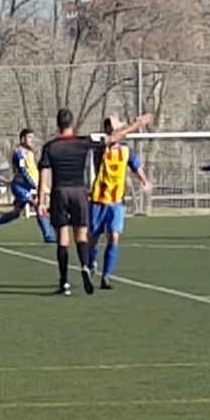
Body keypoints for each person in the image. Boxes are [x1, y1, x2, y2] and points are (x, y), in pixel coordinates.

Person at [37, 108, 151, 296]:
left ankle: (64, 281)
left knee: (63, 240)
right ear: (72, 123)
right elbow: (113, 138)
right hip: (80, 193)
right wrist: (138, 125)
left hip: (60, 192)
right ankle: (85, 266)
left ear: (58, 124)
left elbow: (44, 174)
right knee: (82, 236)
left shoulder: (50, 147)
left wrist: (41, 200)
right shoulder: (82, 142)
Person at [87, 116, 150, 290]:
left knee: (114, 236)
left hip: (117, 201)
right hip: (99, 199)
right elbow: (111, 139)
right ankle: (91, 264)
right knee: (93, 238)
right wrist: (137, 125)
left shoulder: (126, 150)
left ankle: (106, 277)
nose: (109, 129)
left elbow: (135, 166)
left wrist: (144, 180)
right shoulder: (101, 146)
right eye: (108, 126)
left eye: (112, 125)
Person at [0, 129, 55, 243]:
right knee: (37, 205)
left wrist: (39, 184)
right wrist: (34, 185)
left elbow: (32, 171)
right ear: (23, 139)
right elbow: (23, 171)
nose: (32, 140)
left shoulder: (30, 153)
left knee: (15, 213)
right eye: (29, 137)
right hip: (20, 186)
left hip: (29, 186)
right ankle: (47, 236)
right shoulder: (19, 154)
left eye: (33, 137)